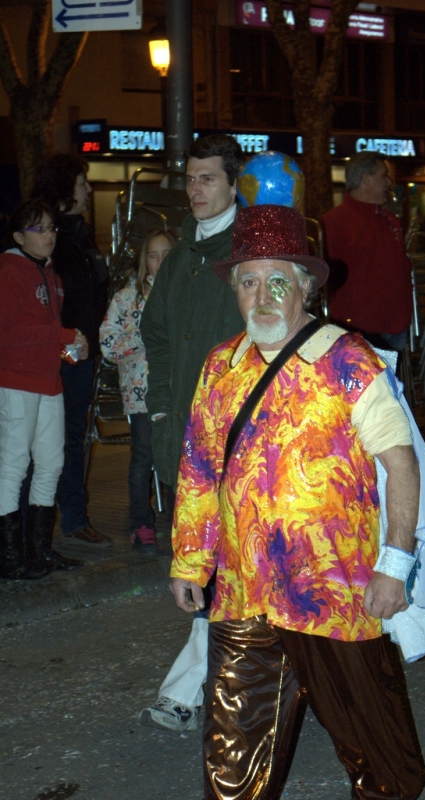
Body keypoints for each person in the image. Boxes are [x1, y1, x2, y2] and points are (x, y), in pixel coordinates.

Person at [170, 204, 425, 800]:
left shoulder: (347, 358)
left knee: (371, 732)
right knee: (234, 740)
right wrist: (189, 560)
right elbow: (200, 470)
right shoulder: (220, 368)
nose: (262, 295)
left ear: (306, 288)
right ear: (235, 289)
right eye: (249, 281)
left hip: (332, 591)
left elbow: (400, 462)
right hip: (242, 587)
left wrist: (395, 564)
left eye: (276, 280)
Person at [138, 133, 245, 732]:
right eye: (190, 177)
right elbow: (156, 336)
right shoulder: (179, 256)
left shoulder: (255, 250)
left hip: (239, 441)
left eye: (207, 178)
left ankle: (188, 690)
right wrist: (158, 412)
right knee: (208, 567)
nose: (195, 189)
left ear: (233, 183)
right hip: (181, 437)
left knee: (225, 567)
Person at [0, 199, 87, 580]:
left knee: (51, 463)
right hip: (15, 381)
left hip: (48, 380)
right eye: (40, 229)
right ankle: (8, 555)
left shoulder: (51, 274)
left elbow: (43, 336)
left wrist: (72, 350)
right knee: (13, 465)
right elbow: (6, 334)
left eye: (52, 227)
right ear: (19, 236)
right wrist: (62, 335)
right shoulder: (8, 272)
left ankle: (38, 550)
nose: (50, 235)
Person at [31, 155, 111, 548]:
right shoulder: (49, 238)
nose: (89, 190)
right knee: (47, 439)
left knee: (73, 436)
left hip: (81, 355)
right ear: (65, 188)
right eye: (83, 182)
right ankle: (41, 526)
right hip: (57, 355)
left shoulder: (79, 234)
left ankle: (71, 518)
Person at [99, 228, 177, 555]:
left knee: (177, 457)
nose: (159, 261)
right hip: (141, 394)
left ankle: (181, 522)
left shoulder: (184, 295)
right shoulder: (126, 298)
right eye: (153, 254)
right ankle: (140, 523)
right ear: (144, 259)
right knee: (144, 458)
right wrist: (143, 339)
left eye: (166, 254)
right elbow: (107, 344)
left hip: (176, 392)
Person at [321, 151, 413, 352]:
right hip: (357, 334)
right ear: (366, 180)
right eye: (383, 175)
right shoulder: (333, 223)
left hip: (394, 327)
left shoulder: (389, 220)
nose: (389, 182)